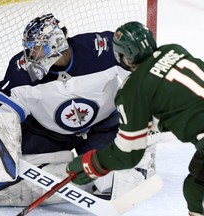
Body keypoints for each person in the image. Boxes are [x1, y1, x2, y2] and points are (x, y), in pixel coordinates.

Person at [0, 15, 155, 208]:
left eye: (37, 49)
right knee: (10, 174)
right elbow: (3, 101)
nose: (30, 55)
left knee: (115, 180)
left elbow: (145, 74)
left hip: (103, 127)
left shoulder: (100, 49)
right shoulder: (23, 70)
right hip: (47, 133)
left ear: (56, 43)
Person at [66, 21, 204, 216]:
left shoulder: (133, 89)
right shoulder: (174, 50)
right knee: (195, 186)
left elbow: (128, 154)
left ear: (124, 56)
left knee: (198, 189)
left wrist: (93, 164)